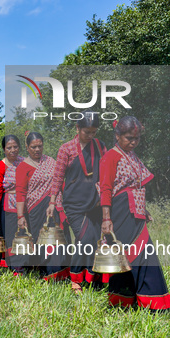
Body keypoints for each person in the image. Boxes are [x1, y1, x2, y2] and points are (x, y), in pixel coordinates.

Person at [99, 116, 170, 310]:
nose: (133, 142)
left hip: (136, 211)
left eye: (137, 138)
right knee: (127, 256)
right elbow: (106, 189)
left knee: (144, 254)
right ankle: (132, 302)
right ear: (117, 136)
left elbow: (137, 185)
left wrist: (144, 208)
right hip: (121, 211)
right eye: (129, 138)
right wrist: (106, 219)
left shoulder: (131, 156)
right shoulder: (110, 157)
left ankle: (143, 302)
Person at [48, 112, 107, 293]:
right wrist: (52, 202)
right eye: (86, 132)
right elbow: (58, 176)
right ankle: (75, 280)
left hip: (95, 202)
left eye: (93, 132)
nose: (90, 136)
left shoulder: (99, 146)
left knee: (97, 240)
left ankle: (93, 279)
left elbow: (106, 170)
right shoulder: (67, 149)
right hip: (74, 204)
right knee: (84, 238)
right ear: (77, 128)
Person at [16, 132, 69, 279]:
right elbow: (20, 193)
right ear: (27, 147)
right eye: (33, 147)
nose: (37, 149)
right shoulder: (23, 167)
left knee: (58, 240)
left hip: (54, 207)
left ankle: (59, 273)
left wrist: (67, 205)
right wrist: (20, 216)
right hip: (35, 210)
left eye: (40, 146)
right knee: (43, 243)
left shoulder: (51, 161)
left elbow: (60, 183)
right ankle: (44, 273)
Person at [0, 136, 24, 273]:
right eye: (9, 148)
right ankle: (16, 267)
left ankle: (26, 264)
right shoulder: (0, 166)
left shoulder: (25, 162)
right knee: (11, 236)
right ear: (4, 149)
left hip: (26, 204)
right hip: (8, 205)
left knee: (24, 234)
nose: (13, 150)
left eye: (15, 147)